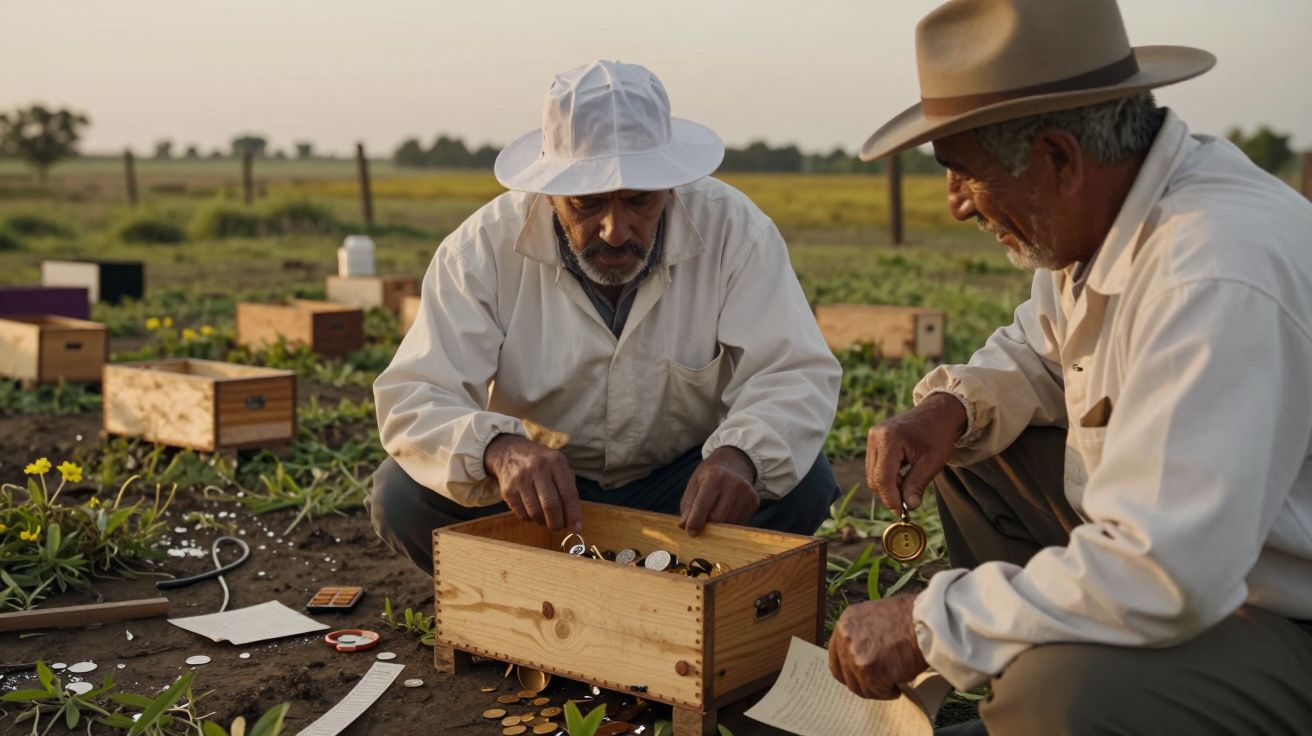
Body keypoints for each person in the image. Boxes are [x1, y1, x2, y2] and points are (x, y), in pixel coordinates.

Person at [827, 1, 1312, 733]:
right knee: (970, 443)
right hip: (1212, 574)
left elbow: (1163, 571)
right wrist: (946, 409)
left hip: (1279, 612)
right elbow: (1041, 351)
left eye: (965, 174)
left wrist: (929, 621)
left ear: (1057, 157)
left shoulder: (1212, 271)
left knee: (1058, 693)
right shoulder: (1099, 222)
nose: (956, 205)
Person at [369, 60, 842, 573]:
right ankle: (534, 596)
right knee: (402, 497)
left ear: (670, 186)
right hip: (539, 497)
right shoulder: (480, 250)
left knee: (804, 481)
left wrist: (739, 459)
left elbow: (793, 371)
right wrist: (500, 451)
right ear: (548, 190)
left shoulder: (736, 233)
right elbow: (415, 395)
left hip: (681, 491)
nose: (616, 230)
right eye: (588, 204)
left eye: (639, 201)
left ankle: (652, 586)